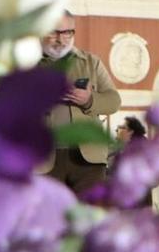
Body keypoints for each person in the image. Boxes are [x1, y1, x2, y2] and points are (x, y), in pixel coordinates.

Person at [39, 17, 122, 191]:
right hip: (43, 159)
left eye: (67, 33)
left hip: (88, 159)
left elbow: (114, 101)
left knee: (88, 215)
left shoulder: (91, 62)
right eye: (54, 32)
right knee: (49, 215)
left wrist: (89, 100)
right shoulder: (28, 64)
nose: (61, 39)